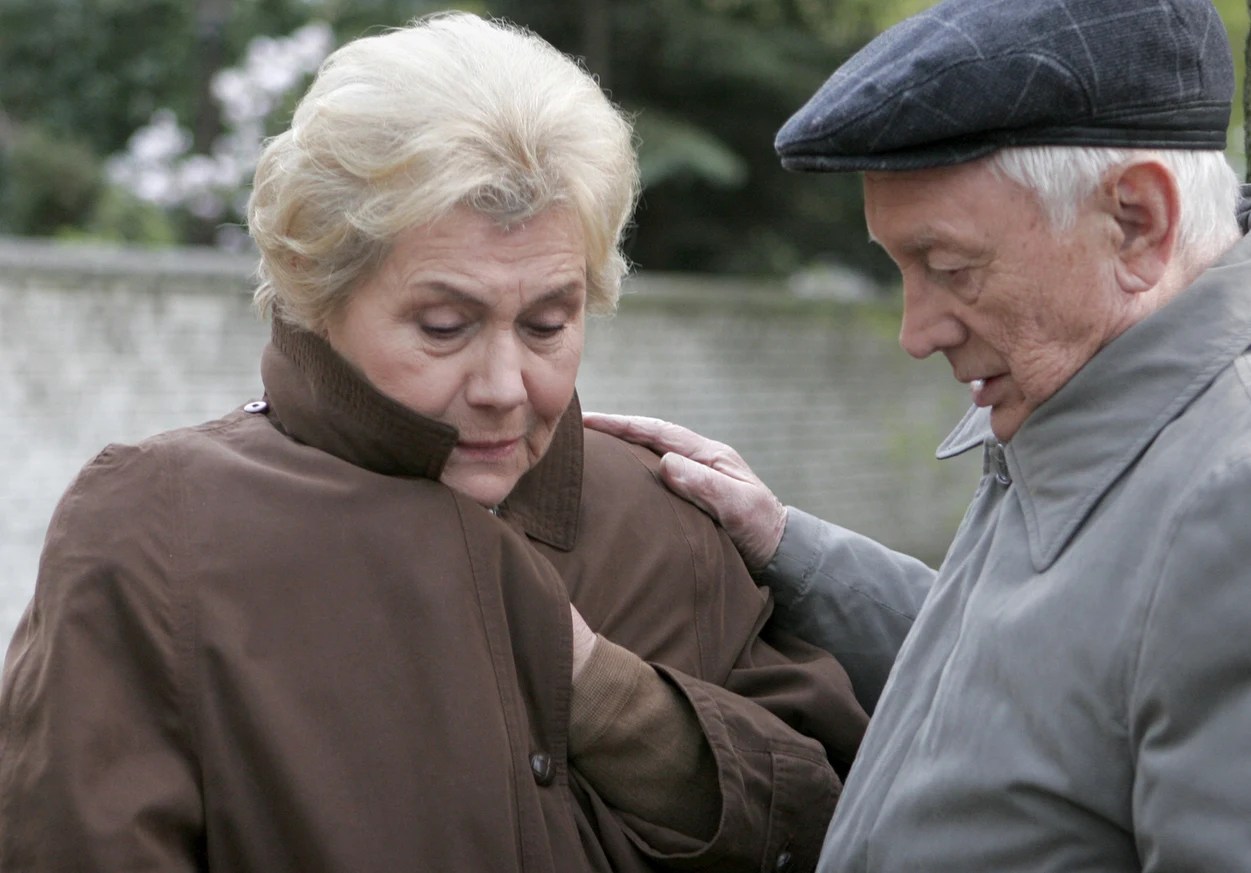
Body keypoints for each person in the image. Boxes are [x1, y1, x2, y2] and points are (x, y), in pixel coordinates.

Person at [0, 13, 867, 872]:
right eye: (445, 325)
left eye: (547, 323)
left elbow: (847, 820)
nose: (502, 386)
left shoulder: (666, 519)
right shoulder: (155, 531)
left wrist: (612, 701)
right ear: (318, 294)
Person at [586, 0, 1251, 869]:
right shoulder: (1135, 369)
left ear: (1138, 220)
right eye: (903, 270)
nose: (916, 332)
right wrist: (789, 545)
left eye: (951, 269)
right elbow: (1057, 671)